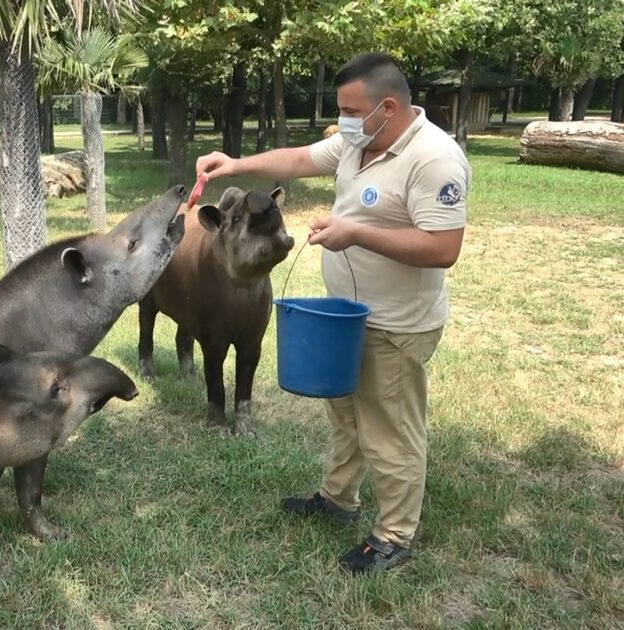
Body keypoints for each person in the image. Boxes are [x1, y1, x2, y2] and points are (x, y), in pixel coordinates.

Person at [196, 52, 470, 574]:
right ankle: (338, 498)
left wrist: (355, 233)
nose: (341, 120)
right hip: (347, 316)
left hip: (396, 322)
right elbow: (300, 159)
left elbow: (443, 248)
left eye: (349, 109)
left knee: (389, 427)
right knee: (346, 414)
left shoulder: (435, 159)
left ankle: (394, 536)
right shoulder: (360, 140)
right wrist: (235, 165)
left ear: (386, 107)